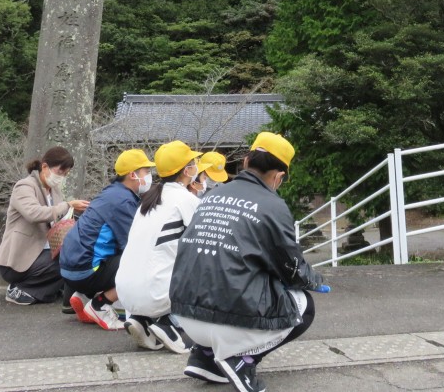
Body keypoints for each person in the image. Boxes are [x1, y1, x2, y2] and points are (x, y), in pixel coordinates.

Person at [170, 132, 324, 392]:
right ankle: (242, 360)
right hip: (227, 319)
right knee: (304, 306)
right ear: (279, 176)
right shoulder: (273, 206)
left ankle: (204, 357)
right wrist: (315, 281)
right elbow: (291, 268)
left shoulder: (209, 197)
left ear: (244, 161)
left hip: (183, 314)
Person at [116, 140, 202, 353]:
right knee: (205, 264)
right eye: (192, 163)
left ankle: (140, 320)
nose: (195, 167)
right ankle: (168, 324)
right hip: (156, 293)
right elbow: (204, 243)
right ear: (186, 170)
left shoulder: (148, 200)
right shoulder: (185, 199)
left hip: (124, 293)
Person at [59, 148, 155, 329]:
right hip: (85, 272)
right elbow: (131, 245)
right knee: (144, 263)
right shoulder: (124, 201)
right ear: (133, 175)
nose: (150, 176)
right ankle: (100, 305)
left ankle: (81, 296)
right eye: (147, 172)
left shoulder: (111, 192)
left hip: (69, 271)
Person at [0, 146, 90, 306]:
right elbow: (34, 213)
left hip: (42, 255)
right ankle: (20, 289)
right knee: (65, 260)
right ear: (45, 166)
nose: (61, 177)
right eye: (60, 172)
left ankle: (42, 291)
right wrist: (68, 205)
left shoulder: (54, 191)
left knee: (76, 255)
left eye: (65, 174)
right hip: (17, 262)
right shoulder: (24, 186)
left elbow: (59, 218)